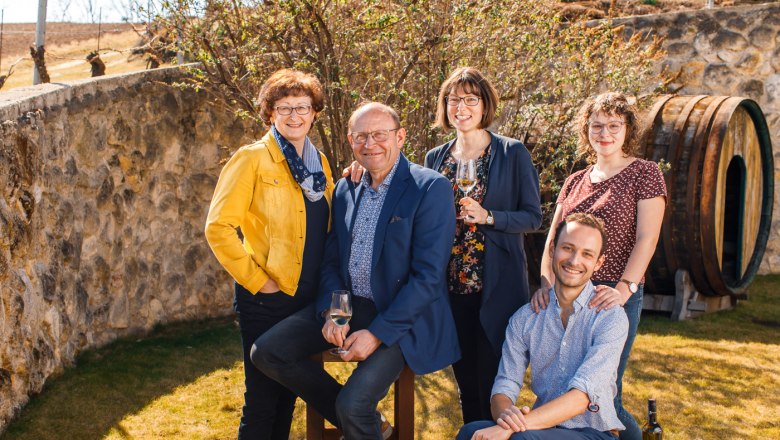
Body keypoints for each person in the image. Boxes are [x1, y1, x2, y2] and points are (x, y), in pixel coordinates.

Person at [252, 102, 460, 439]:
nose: (370, 143)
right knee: (267, 352)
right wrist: (335, 312)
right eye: (361, 136)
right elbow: (332, 261)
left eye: (380, 135)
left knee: (353, 405)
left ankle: (358, 417)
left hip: (402, 318)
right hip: (353, 306)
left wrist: (377, 333)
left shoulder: (429, 188)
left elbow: (428, 278)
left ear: (400, 137)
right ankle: (371, 424)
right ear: (350, 141)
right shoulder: (346, 188)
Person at [204, 69, 334, 440]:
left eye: (302, 107)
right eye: (284, 107)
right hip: (266, 299)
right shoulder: (251, 159)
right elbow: (218, 227)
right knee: (262, 402)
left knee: (287, 397)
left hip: (306, 300)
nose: (294, 115)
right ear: (270, 113)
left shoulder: (319, 164)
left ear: (314, 113)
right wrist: (260, 282)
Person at [530, 92, 666, 440]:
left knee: (604, 396)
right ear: (586, 130)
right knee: (564, 387)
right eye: (597, 125)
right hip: (567, 296)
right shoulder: (575, 180)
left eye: (614, 125)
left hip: (611, 296)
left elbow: (647, 238)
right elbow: (553, 239)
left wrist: (624, 289)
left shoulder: (645, 173)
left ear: (628, 129)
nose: (604, 133)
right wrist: (547, 286)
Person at [423, 67, 542, 423]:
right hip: (450, 288)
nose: (461, 107)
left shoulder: (511, 152)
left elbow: (532, 217)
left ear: (485, 104)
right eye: (453, 99)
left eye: (470, 99)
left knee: (494, 385)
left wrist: (489, 216)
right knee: (465, 383)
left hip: (496, 286)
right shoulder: (435, 158)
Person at [458, 212, 629, 440]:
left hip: (595, 432)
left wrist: (511, 429)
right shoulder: (525, 318)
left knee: (521, 438)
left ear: (598, 263)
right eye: (567, 248)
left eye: (587, 254)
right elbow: (504, 387)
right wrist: (507, 417)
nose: (574, 260)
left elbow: (581, 397)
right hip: (544, 428)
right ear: (552, 250)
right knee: (470, 431)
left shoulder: (610, 317)